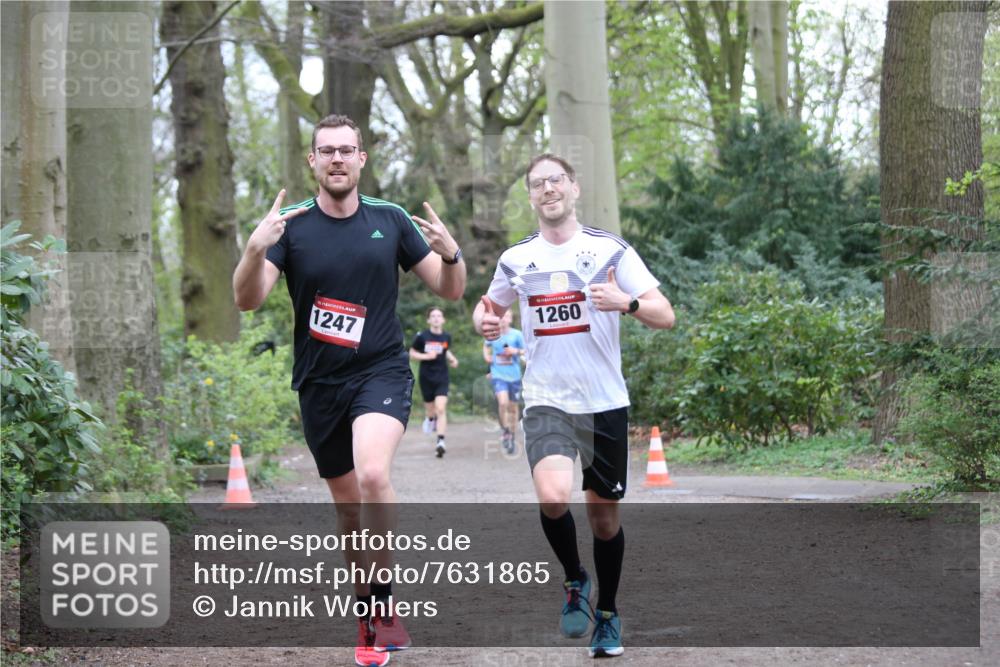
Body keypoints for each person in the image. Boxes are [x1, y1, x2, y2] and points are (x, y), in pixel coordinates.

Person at [233, 114, 466, 667]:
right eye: (326, 151)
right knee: (347, 513)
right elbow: (247, 301)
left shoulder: (391, 220)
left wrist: (453, 253)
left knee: (373, 476)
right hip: (319, 385)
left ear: (362, 158)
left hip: (381, 372)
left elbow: (450, 291)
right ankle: (365, 613)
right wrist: (251, 250)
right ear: (312, 161)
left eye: (347, 150)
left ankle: (385, 606)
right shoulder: (289, 227)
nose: (337, 158)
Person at [472, 153, 675, 658]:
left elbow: (664, 314)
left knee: (604, 519)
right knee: (553, 494)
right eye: (538, 184)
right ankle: (573, 578)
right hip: (546, 398)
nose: (548, 190)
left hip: (604, 401)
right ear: (531, 196)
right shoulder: (516, 259)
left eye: (555, 180)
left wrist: (625, 303)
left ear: (574, 188)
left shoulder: (610, 251)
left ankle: (607, 614)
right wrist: (486, 323)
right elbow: (488, 306)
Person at [409, 306, 458, 458]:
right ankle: (430, 419)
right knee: (431, 410)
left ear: (443, 320)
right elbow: (411, 353)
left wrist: (452, 358)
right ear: (429, 320)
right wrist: (425, 357)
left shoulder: (446, 337)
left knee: (441, 408)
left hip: (442, 376)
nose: (436, 318)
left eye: (439, 316)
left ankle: (440, 441)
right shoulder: (422, 336)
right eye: (433, 316)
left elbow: (445, 350)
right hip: (426, 377)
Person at [482, 309, 525, 454]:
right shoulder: (493, 334)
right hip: (498, 375)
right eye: (502, 316)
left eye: (507, 316)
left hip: (514, 376)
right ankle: (506, 430)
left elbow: (527, 350)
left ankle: (511, 435)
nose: (504, 319)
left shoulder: (517, 335)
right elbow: (486, 346)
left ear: (511, 319)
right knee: (503, 402)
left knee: (513, 408)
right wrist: (487, 357)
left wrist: (515, 351)